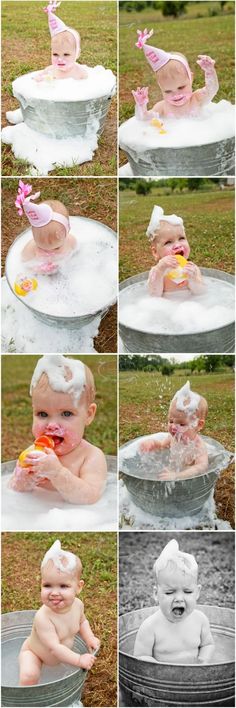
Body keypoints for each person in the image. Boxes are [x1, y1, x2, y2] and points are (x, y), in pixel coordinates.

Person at [10, 355, 107, 503]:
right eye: (42, 414)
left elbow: (91, 497)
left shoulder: (91, 457)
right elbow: (12, 492)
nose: (52, 425)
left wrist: (58, 473)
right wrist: (23, 480)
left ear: (88, 415)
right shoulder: (33, 454)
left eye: (66, 414)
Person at [19, 539, 100, 685]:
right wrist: (79, 659)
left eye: (63, 586)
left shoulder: (78, 605)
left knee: (59, 674)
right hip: (35, 654)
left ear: (78, 587)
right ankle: (24, 700)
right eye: (47, 585)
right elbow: (55, 649)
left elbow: (82, 622)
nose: (54, 593)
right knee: (30, 675)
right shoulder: (43, 617)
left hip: (57, 658)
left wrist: (89, 638)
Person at [134, 539, 214, 664]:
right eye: (169, 592)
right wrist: (163, 670)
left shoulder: (200, 620)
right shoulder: (150, 627)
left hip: (195, 677)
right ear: (156, 594)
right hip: (162, 680)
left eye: (188, 592)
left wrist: (203, 661)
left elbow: (207, 645)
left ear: (197, 592)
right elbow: (141, 656)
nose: (179, 598)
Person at [132, 29, 219, 120]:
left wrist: (209, 71)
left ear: (191, 78)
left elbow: (212, 89)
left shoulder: (196, 99)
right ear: (160, 87)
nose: (176, 95)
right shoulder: (162, 107)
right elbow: (144, 119)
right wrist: (141, 106)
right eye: (168, 91)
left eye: (181, 87)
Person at [140, 381, 208, 481]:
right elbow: (162, 446)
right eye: (171, 421)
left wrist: (178, 476)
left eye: (181, 424)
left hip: (188, 479)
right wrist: (153, 444)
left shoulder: (198, 446)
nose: (173, 427)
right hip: (172, 471)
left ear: (198, 425)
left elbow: (201, 467)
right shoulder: (172, 438)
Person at [15, 180, 77, 275]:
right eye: (41, 247)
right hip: (43, 277)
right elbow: (24, 263)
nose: (49, 251)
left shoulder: (70, 241)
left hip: (65, 271)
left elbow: (76, 253)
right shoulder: (31, 248)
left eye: (56, 248)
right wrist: (37, 270)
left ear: (67, 232)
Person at [146, 205, 204, 296]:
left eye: (181, 238)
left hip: (190, 305)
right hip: (166, 306)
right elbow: (154, 295)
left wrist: (193, 279)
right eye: (168, 242)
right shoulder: (157, 271)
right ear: (155, 252)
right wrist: (160, 270)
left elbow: (201, 293)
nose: (178, 245)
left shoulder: (192, 269)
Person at [35, 1, 88, 82]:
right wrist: (40, 80)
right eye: (55, 54)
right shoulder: (50, 71)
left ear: (77, 54)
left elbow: (87, 87)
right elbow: (38, 80)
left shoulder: (80, 73)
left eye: (66, 54)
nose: (60, 59)